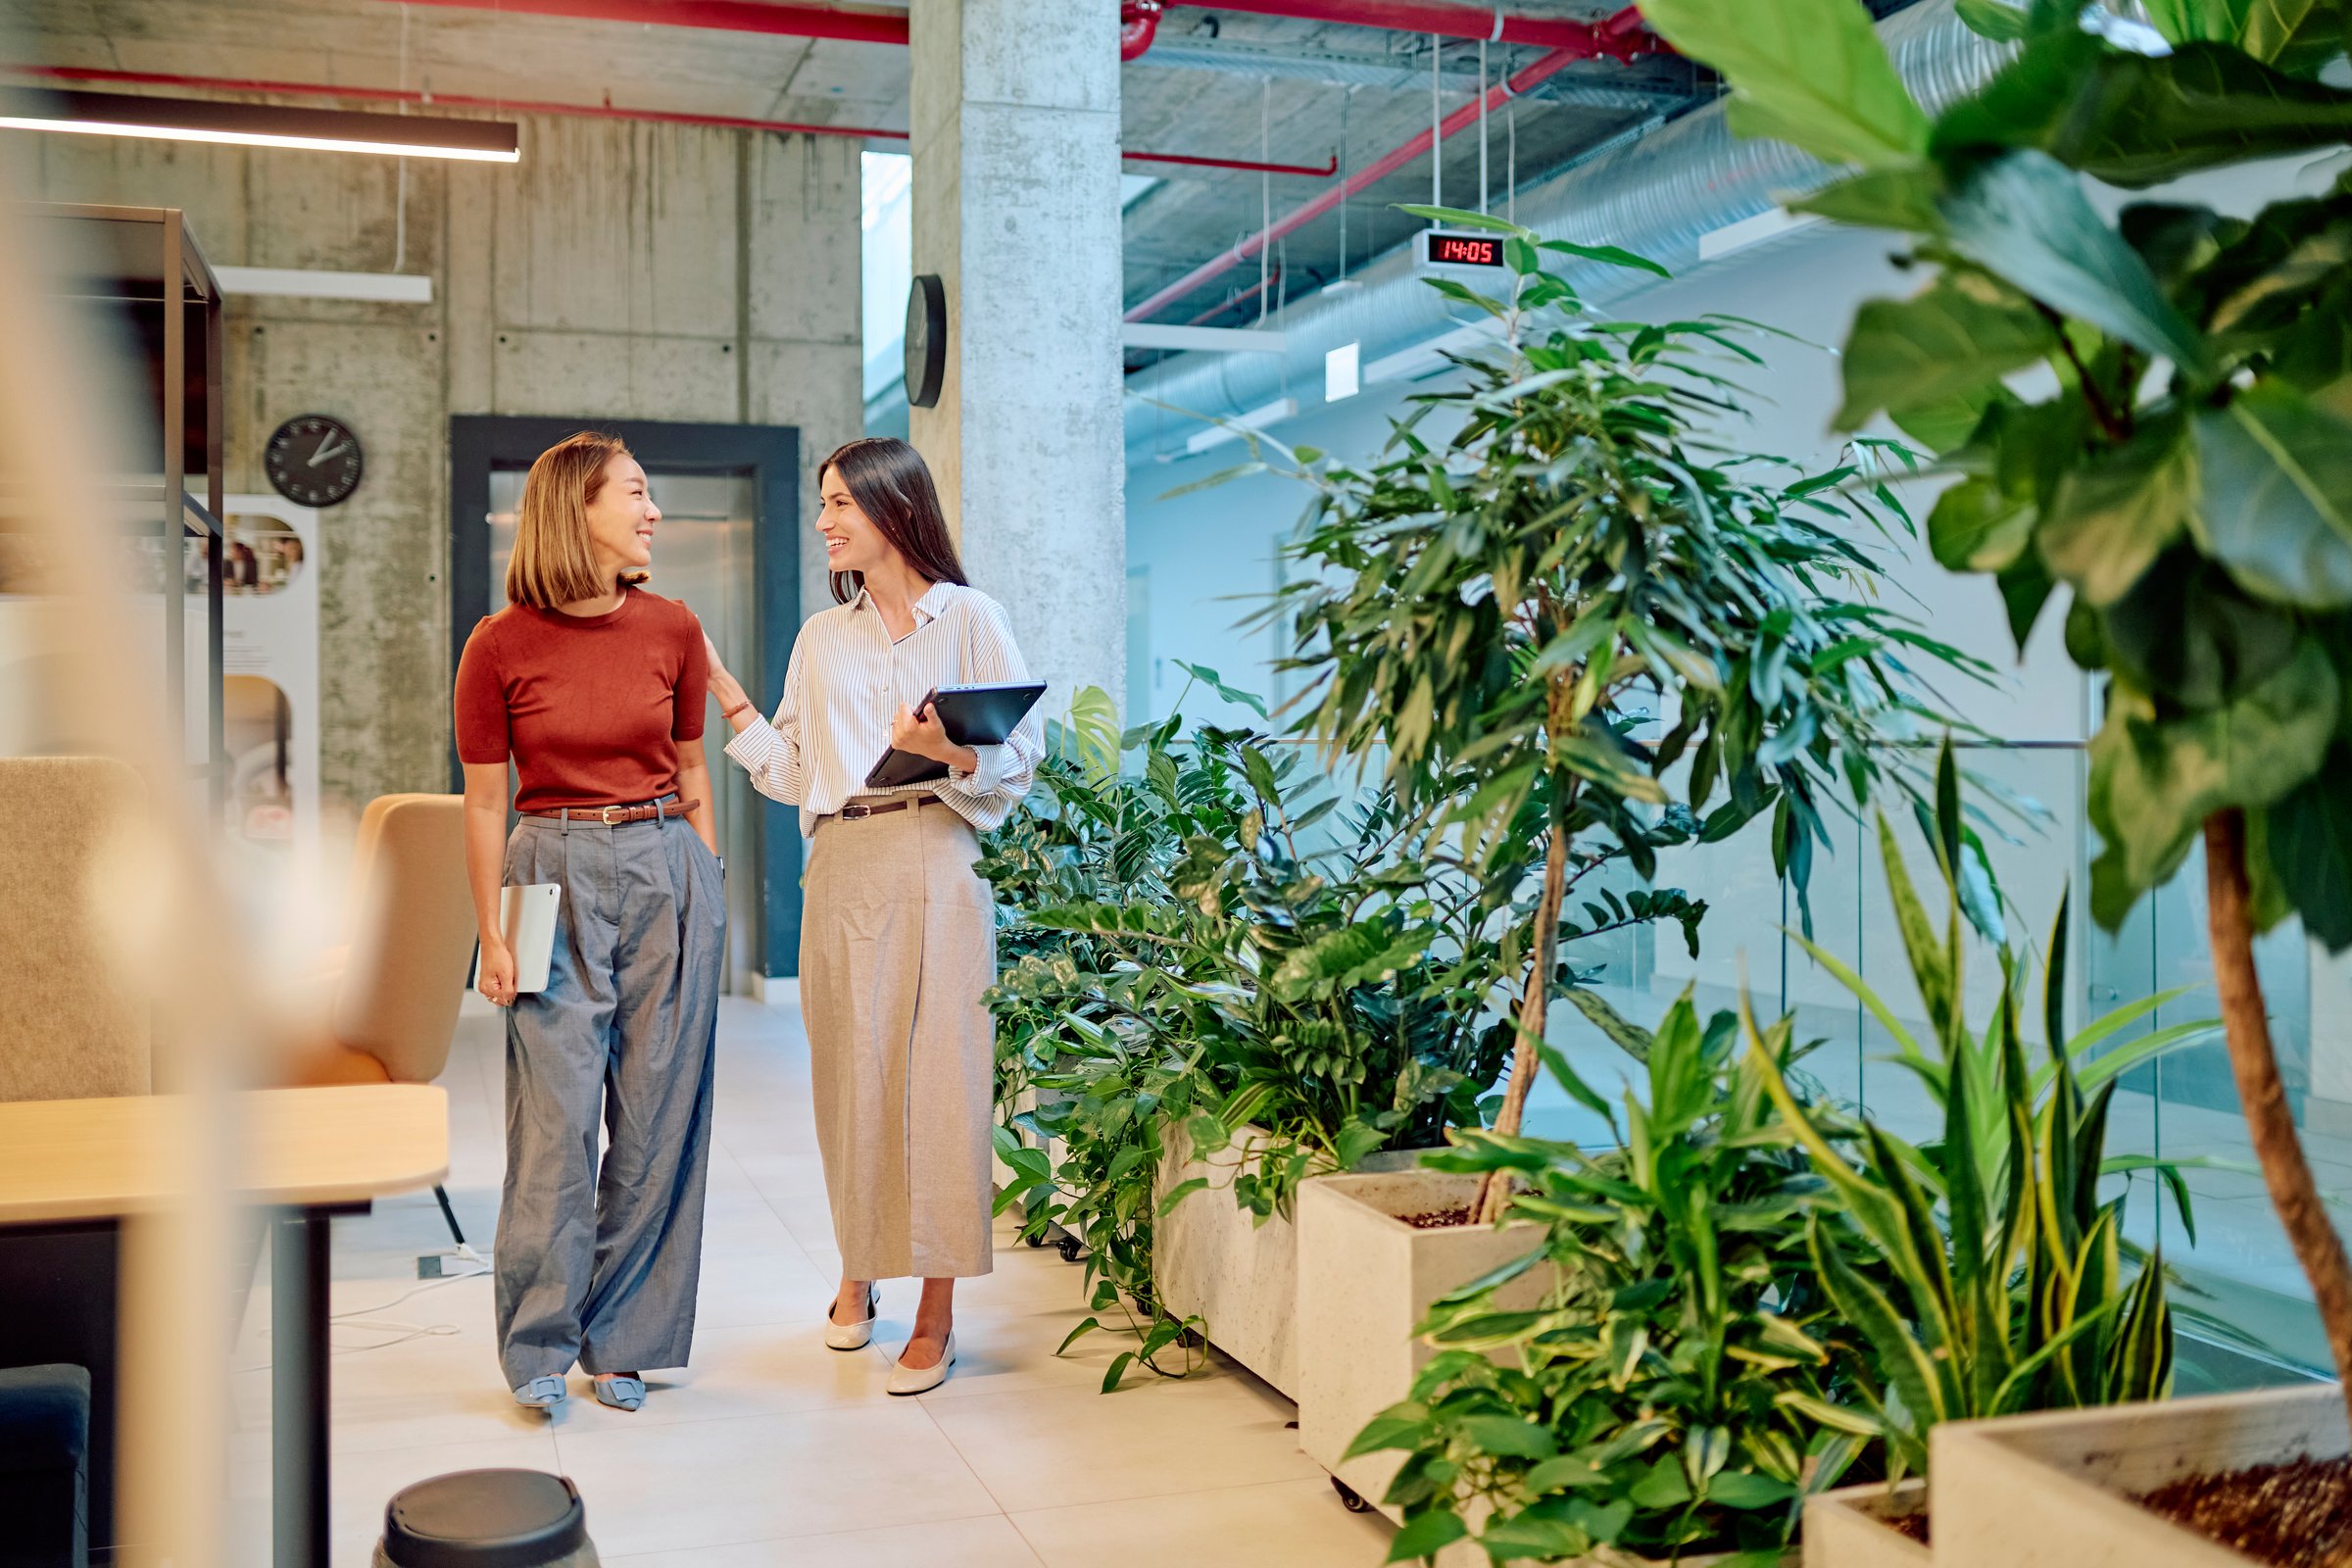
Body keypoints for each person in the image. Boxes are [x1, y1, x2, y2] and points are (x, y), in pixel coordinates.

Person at [707, 435, 1040, 1396]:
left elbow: (1018, 757)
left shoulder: (969, 619)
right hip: (842, 857)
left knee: (937, 1076)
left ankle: (936, 1307)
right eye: (823, 503)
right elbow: (799, 771)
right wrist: (730, 699)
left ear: (896, 508)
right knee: (851, 1075)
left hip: (936, 845)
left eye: (842, 503)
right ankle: (861, 1266)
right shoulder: (822, 636)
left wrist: (944, 749)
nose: (825, 521)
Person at [453, 431, 725, 1413]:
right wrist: (491, 933)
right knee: (553, 1123)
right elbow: (486, 802)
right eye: (637, 492)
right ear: (579, 508)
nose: (653, 511)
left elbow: (694, 770)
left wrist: (708, 877)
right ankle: (538, 1342)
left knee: (656, 1117)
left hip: (666, 864)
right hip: (544, 866)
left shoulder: (675, 628)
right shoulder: (498, 644)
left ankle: (623, 1341)